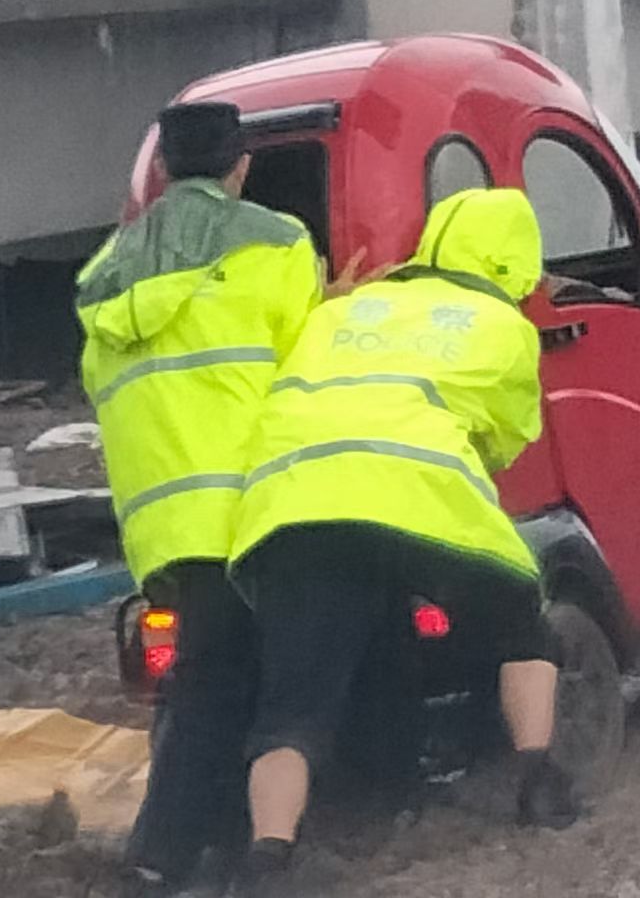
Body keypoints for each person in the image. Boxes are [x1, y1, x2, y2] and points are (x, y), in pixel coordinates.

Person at [227, 187, 578, 896]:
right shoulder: (502, 325)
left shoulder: (343, 310)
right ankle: (539, 782)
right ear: (519, 264)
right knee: (522, 623)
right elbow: (506, 440)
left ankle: (268, 859)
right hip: (418, 501)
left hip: (293, 508)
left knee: (295, 702)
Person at [75, 101, 324, 895]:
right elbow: (308, 362)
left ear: (164, 172)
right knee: (233, 684)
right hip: (250, 503)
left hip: (160, 522)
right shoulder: (278, 242)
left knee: (207, 675)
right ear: (240, 165)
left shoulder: (104, 272)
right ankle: (164, 861)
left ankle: (195, 847)